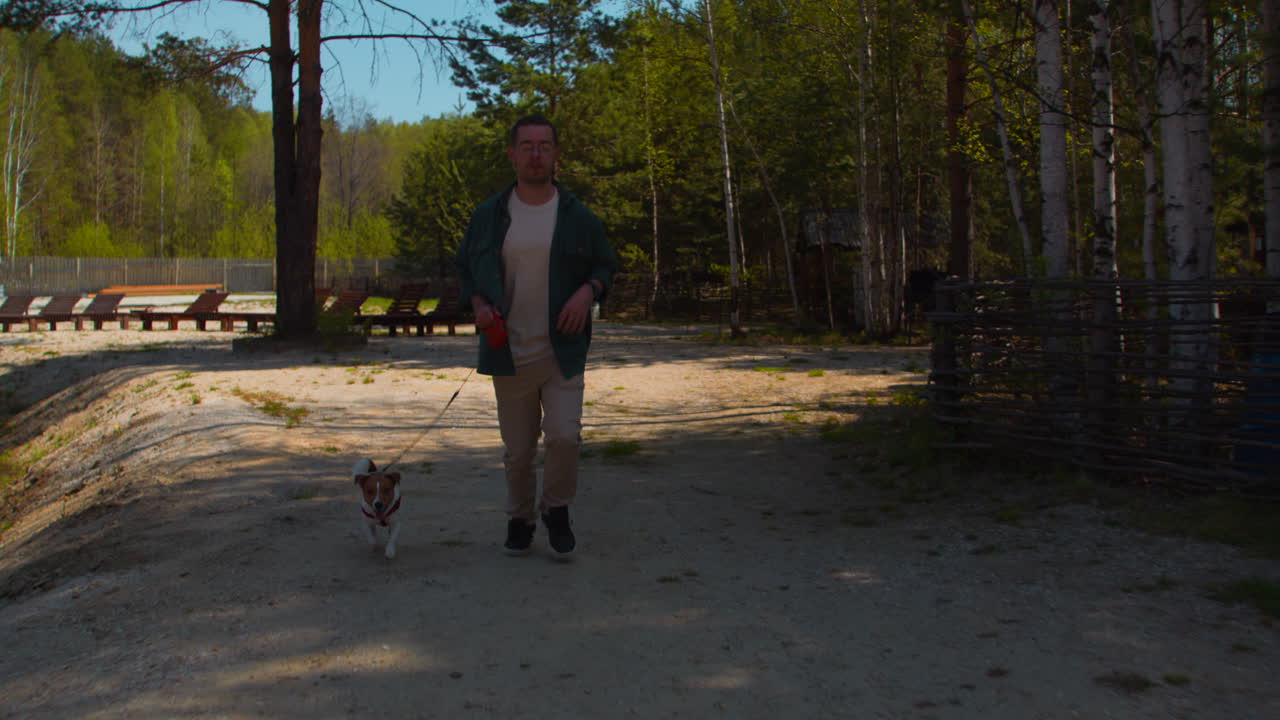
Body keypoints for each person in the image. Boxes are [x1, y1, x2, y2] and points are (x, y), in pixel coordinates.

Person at [454, 114, 618, 558]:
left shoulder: (577, 216)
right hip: (507, 350)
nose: (536, 154)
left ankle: (557, 508)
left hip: (562, 351)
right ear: (512, 154)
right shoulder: (489, 216)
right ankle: (520, 517)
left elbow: (606, 265)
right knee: (520, 450)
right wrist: (478, 305)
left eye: (544, 145)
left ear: (556, 153)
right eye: (526, 145)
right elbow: (464, 269)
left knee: (565, 436)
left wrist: (588, 292)